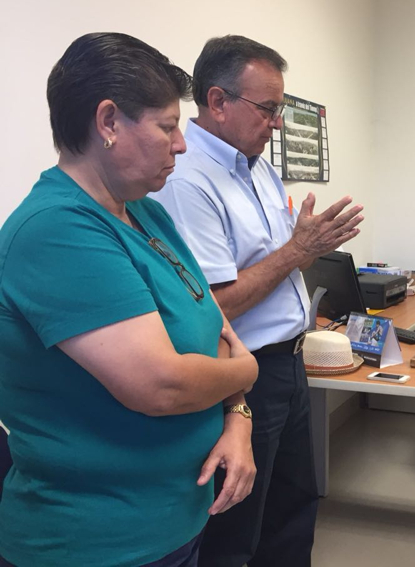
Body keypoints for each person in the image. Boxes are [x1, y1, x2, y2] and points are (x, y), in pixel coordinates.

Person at [0, 33, 260, 567]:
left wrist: (238, 418)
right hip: (99, 542)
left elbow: (213, 329)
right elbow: (160, 385)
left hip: (175, 518)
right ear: (109, 122)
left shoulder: (143, 212)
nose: (182, 145)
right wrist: (249, 374)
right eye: (168, 128)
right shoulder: (56, 230)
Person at [151, 35, 363, 567]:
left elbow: (277, 266)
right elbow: (213, 307)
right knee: (238, 527)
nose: (276, 124)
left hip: (290, 365)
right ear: (218, 101)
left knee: (293, 510)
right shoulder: (187, 180)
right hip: (244, 375)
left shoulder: (259, 166)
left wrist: (304, 249)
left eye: (280, 110)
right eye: (268, 109)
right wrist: (298, 250)